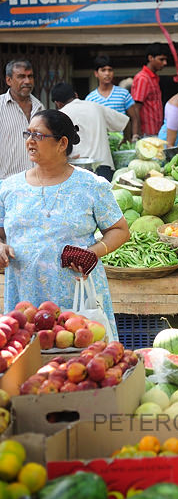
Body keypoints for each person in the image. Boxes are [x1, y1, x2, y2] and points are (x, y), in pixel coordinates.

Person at [0, 110, 129, 339]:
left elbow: (119, 230)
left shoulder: (90, 185)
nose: (30, 141)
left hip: (77, 295)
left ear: (62, 143)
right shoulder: (9, 188)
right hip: (25, 297)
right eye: (27, 134)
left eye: (38, 135)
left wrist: (93, 252)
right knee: (28, 363)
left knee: (81, 364)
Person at [51, 82, 129, 182]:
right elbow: (124, 122)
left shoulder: (60, 115)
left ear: (58, 103)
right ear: (76, 95)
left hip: (74, 168)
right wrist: (126, 139)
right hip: (103, 167)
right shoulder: (96, 107)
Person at [0, 59, 44, 180]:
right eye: (21, 77)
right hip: (6, 182)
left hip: (36, 181)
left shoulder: (39, 107)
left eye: (30, 76)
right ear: (9, 80)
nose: (27, 81)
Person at [85, 55, 141, 142]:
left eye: (110, 70)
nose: (107, 73)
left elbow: (134, 118)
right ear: (96, 73)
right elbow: (89, 125)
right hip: (101, 143)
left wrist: (134, 137)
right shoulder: (90, 99)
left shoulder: (123, 94)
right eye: (103, 70)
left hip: (123, 143)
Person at [131, 43, 168, 136]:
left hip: (156, 132)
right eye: (161, 59)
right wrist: (136, 134)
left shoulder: (154, 78)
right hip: (146, 135)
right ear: (151, 58)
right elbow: (136, 108)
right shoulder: (143, 78)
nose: (165, 63)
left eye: (165, 60)